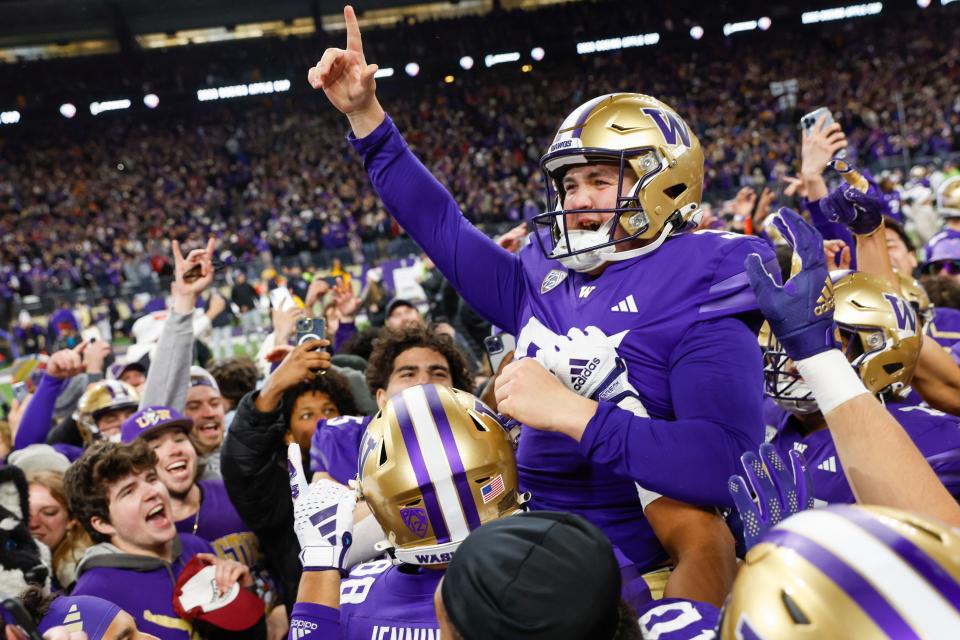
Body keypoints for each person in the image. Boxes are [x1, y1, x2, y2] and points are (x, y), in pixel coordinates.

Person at [310, 6, 770, 602]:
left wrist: (577, 413)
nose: (578, 200)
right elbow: (441, 226)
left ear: (667, 183)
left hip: (631, 571)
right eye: (569, 184)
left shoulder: (701, 277)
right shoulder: (542, 274)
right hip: (518, 544)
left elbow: (727, 464)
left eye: (600, 182)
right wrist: (367, 118)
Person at [761, 270, 960, 504]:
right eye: (789, 344)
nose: (795, 364)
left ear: (881, 353)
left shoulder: (928, 438)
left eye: (821, 347)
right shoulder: (765, 414)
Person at [64, 440, 261, 639]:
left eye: (151, 478)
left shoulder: (195, 547)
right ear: (102, 523)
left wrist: (244, 593)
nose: (152, 492)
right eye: (129, 491)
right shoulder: (94, 596)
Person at [221, 338, 358, 613]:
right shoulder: (282, 493)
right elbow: (242, 462)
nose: (323, 421)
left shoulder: (372, 471)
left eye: (330, 410)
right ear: (287, 434)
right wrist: (272, 388)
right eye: (306, 414)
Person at [309, 324, 471, 485]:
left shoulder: (479, 436)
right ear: (382, 398)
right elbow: (326, 507)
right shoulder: (341, 438)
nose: (424, 381)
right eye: (408, 374)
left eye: (438, 374)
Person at [27, 470, 92, 590]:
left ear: (71, 519)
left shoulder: (79, 570)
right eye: (25, 512)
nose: (33, 523)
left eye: (49, 513)